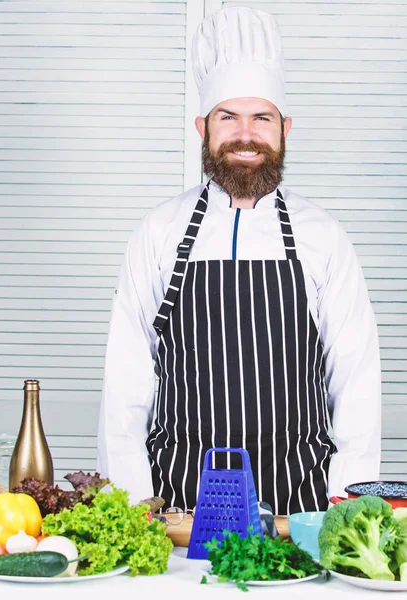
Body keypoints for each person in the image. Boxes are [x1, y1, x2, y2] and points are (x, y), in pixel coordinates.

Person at [97, 6, 381, 515]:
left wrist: (344, 512)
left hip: (300, 510)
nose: (245, 134)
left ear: (285, 129)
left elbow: (355, 386)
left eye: (261, 118)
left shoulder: (324, 237)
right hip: (179, 508)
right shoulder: (158, 233)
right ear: (202, 127)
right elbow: (126, 385)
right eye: (228, 117)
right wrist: (137, 508)